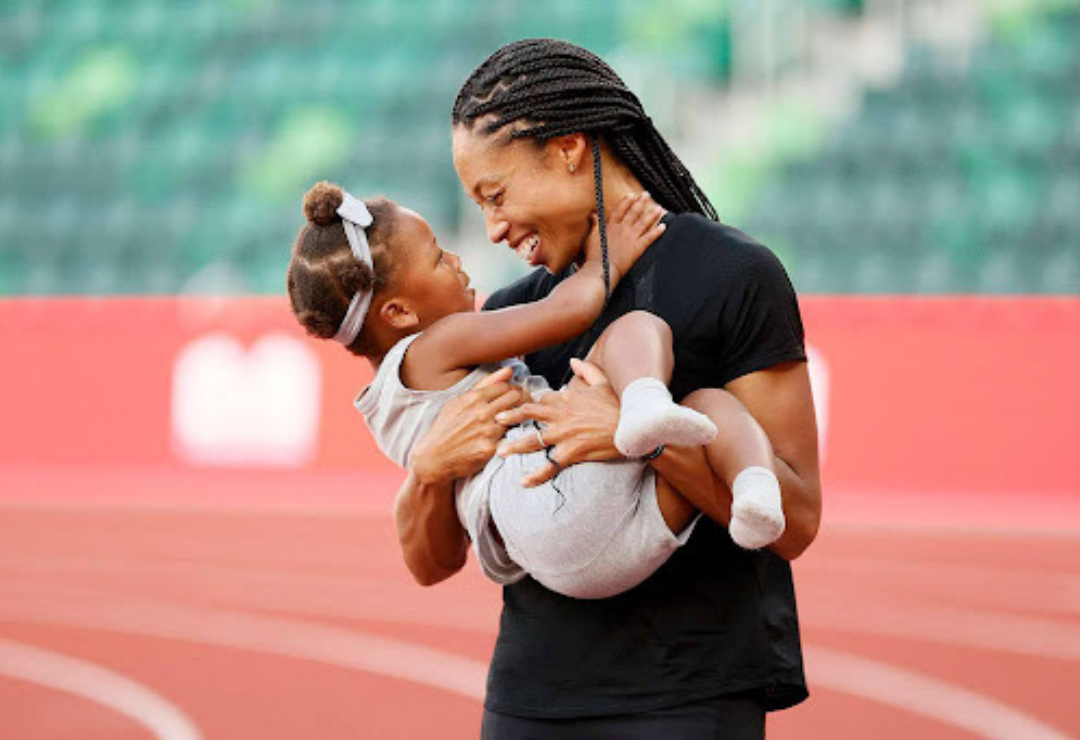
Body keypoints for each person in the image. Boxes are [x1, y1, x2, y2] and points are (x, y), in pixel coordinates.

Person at [393, 38, 822, 738]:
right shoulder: (507, 316)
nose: (493, 228)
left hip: (688, 701)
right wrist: (429, 469)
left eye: (495, 195)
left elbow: (795, 520)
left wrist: (636, 437)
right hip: (529, 700)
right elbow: (431, 563)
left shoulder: (737, 275)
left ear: (568, 149)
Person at [286, 180, 786, 600]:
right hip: (545, 489)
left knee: (703, 415)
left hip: (561, 564)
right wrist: (606, 259)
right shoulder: (438, 343)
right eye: (439, 257)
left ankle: (752, 500)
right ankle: (654, 412)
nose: (458, 259)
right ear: (398, 314)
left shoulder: (382, 406)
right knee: (640, 332)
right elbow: (567, 311)